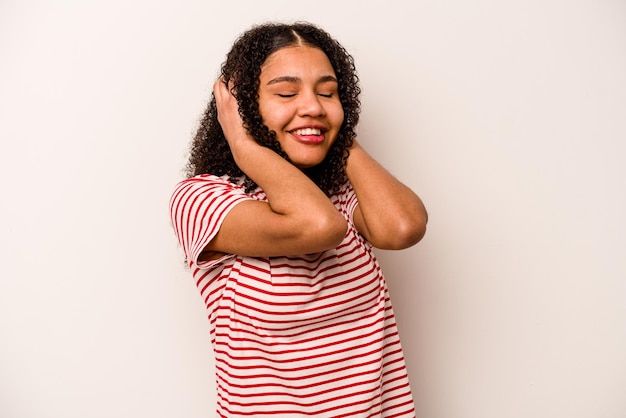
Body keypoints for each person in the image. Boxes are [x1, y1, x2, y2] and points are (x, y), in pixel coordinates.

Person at [169, 21, 428, 418]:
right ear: (240, 107)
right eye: (287, 93)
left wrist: (334, 132)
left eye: (327, 92)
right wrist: (242, 143)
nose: (312, 105)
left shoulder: (342, 192)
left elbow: (403, 227)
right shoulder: (203, 198)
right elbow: (317, 227)